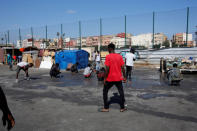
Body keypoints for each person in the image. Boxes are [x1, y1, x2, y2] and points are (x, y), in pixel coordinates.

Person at [101, 43, 127, 112]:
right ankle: (122, 108)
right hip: (118, 78)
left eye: (107, 49)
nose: (107, 50)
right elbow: (123, 68)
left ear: (110, 48)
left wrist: (105, 78)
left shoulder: (108, 57)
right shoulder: (119, 56)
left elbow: (107, 69)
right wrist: (124, 77)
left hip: (110, 78)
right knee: (121, 92)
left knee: (105, 91)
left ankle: (106, 108)